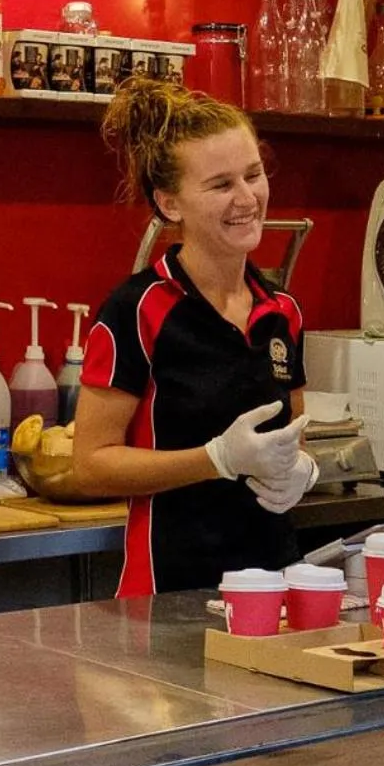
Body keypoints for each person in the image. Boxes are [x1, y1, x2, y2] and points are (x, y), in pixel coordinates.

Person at [70, 76, 317, 595]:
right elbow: (90, 465)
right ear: (170, 203)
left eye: (254, 175)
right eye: (221, 185)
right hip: (171, 592)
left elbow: (291, 433)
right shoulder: (138, 310)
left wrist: (301, 468)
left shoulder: (282, 312)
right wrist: (217, 459)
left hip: (273, 588)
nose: (248, 198)